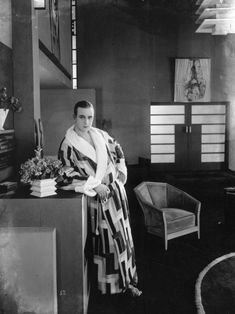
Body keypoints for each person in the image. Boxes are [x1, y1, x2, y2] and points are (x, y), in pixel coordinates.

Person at [58, 100, 142, 297]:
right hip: (97, 200)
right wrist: (95, 185)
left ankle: (128, 280)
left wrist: (121, 171)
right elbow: (65, 174)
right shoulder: (68, 144)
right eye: (82, 117)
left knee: (123, 238)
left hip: (116, 195)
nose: (86, 122)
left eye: (89, 117)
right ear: (74, 117)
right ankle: (111, 287)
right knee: (107, 243)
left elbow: (118, 150)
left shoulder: (100, 135)